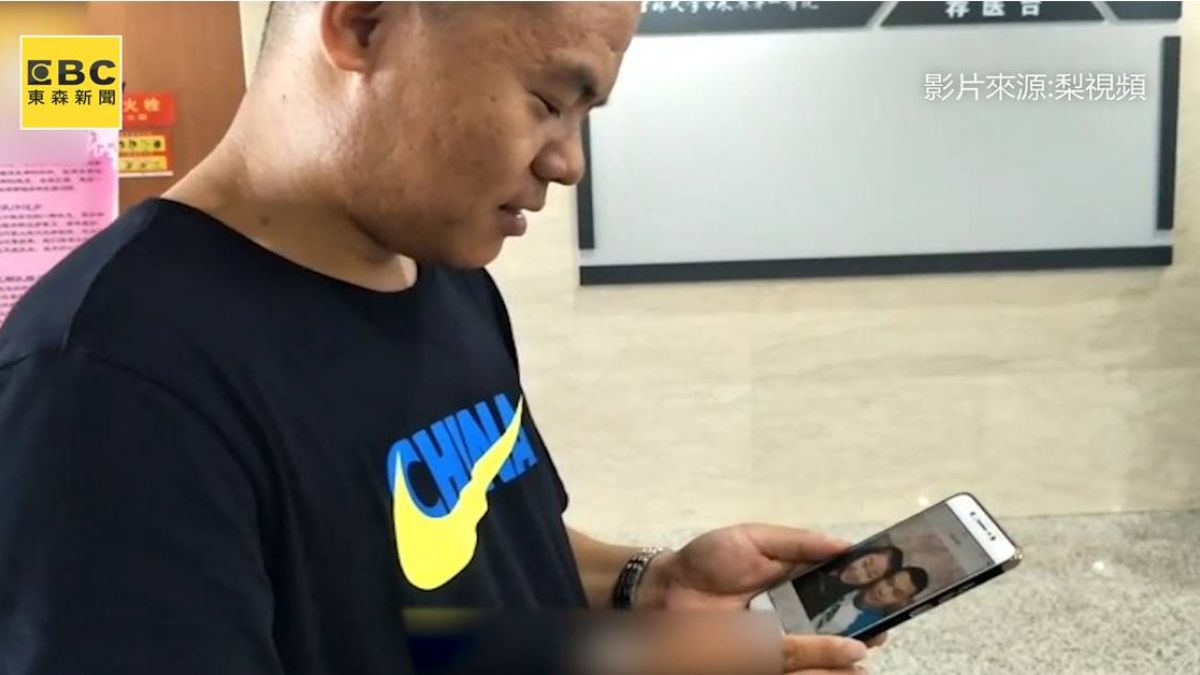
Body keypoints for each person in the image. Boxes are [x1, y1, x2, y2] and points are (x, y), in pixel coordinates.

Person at [0, 3, 884, 674]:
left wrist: (645, 585)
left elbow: (467, 561)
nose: (567, 161)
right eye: (548, 102)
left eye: (585, 117)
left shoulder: (445, 274)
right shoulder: (108, 378)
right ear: (364, 26)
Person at [812, 567, 930, 638]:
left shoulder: (867, 626)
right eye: (889, 582)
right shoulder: (850, 581)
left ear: (901, 602)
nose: (883, 591)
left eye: (896, 593)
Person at [796, 544, 904, 618]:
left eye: (870, 575)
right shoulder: (831, 556)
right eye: (866, 563)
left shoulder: (841, 602)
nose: (858, 572)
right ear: (865, 554)